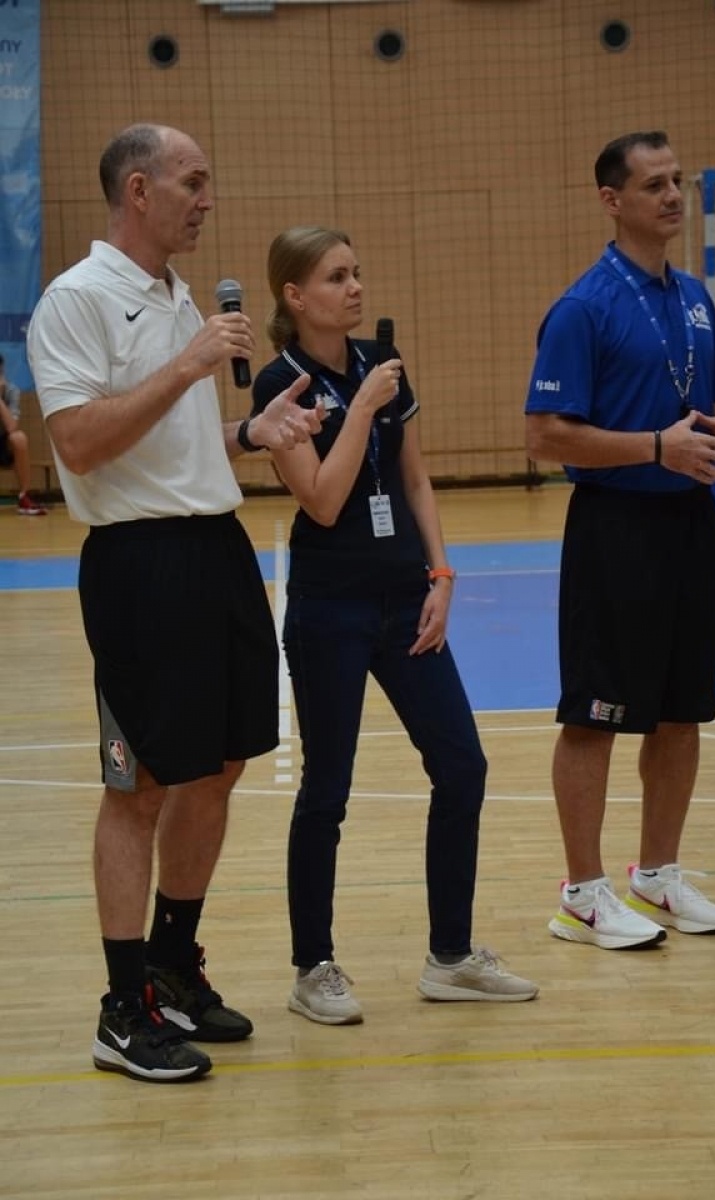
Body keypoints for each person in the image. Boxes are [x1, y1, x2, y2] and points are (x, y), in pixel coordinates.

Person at [26, 124, 324, 1082]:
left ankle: (169, 965)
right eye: (194, 183)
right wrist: (191, 366)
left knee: (222, 762)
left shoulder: (176, 295)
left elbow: (167, 436)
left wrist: (245, 429)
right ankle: (120, 1012)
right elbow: (78, 444)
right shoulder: (74, 300)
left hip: (216, 546)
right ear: (139, 189)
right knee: (141, 783)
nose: (207, 199)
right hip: (138, 566)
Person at [251, 226, 539, 1024]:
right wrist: (360, 410)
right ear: (295, 296)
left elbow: (412, 476)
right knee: (327, 791)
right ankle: (313, 968)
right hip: (329, 611)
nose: (354, 286)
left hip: (405, 601)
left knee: (462, 766)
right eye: (336, 276)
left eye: (357, 270)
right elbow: (322, 499)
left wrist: (440, 576)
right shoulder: (280, 384)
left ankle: (449, 957)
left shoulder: (384, 370)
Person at [524, 130, 715, 951]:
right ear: (611, 200)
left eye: (677, 181)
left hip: (689, 524)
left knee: (681, 712)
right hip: (614, 530)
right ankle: (581, 894)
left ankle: (656, 873)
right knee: (594, 715)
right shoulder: (583, 306)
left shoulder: (692, 296)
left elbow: (708, 408)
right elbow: (544, 435)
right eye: (653, 184)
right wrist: (656, 448)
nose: (671, 196)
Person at [0, 354, 47, 515]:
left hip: (3, 445)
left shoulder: (11, 390)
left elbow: (12, 426)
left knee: (19, 438)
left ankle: (24, 496)